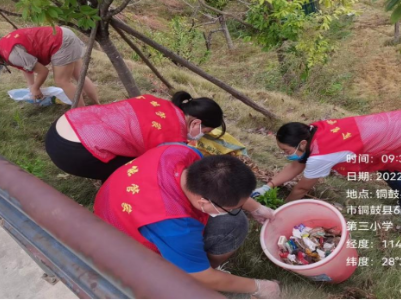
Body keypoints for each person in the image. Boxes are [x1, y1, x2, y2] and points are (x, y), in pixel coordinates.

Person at [94, 143, 280, 298]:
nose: (237, 210)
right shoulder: (175, 226)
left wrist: (257, 208)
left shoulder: (180, 151)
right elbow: (201, 276)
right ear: (203, 202)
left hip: (114, 204)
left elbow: (222, 187)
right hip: (121, 246)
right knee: (234, 224)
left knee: (233, 220)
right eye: (230, 209)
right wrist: (259, 286)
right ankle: (195, 267)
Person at [45, 91, 226, 182]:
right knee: (142, 172)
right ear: (196, 123)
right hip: (71, 153)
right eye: (206, 131)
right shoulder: (172, 136)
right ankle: (114, 190)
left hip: (65, 124)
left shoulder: (154, 100)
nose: (201, 136)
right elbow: (170, 169)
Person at [252, 110, 401, 205]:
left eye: (286, 150)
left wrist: (284, 207)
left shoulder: (321, 156)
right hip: (389, 126)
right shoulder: (311, 131)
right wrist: (268, 186)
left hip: (395, 136)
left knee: (392, 166)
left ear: (302, 144)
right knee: (387, 164)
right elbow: (297, 165)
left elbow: (302, 188)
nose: (286, 155)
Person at [0, 26, 99, 107]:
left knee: (62, 81)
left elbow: (43, 71)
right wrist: (32, 87)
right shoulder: (4, 46)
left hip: (61, 42)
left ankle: (82, 112)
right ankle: (97, 105)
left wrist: (36, 87)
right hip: (62, 33)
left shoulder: (12, 55)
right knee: (79, 75)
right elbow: (26, 67)